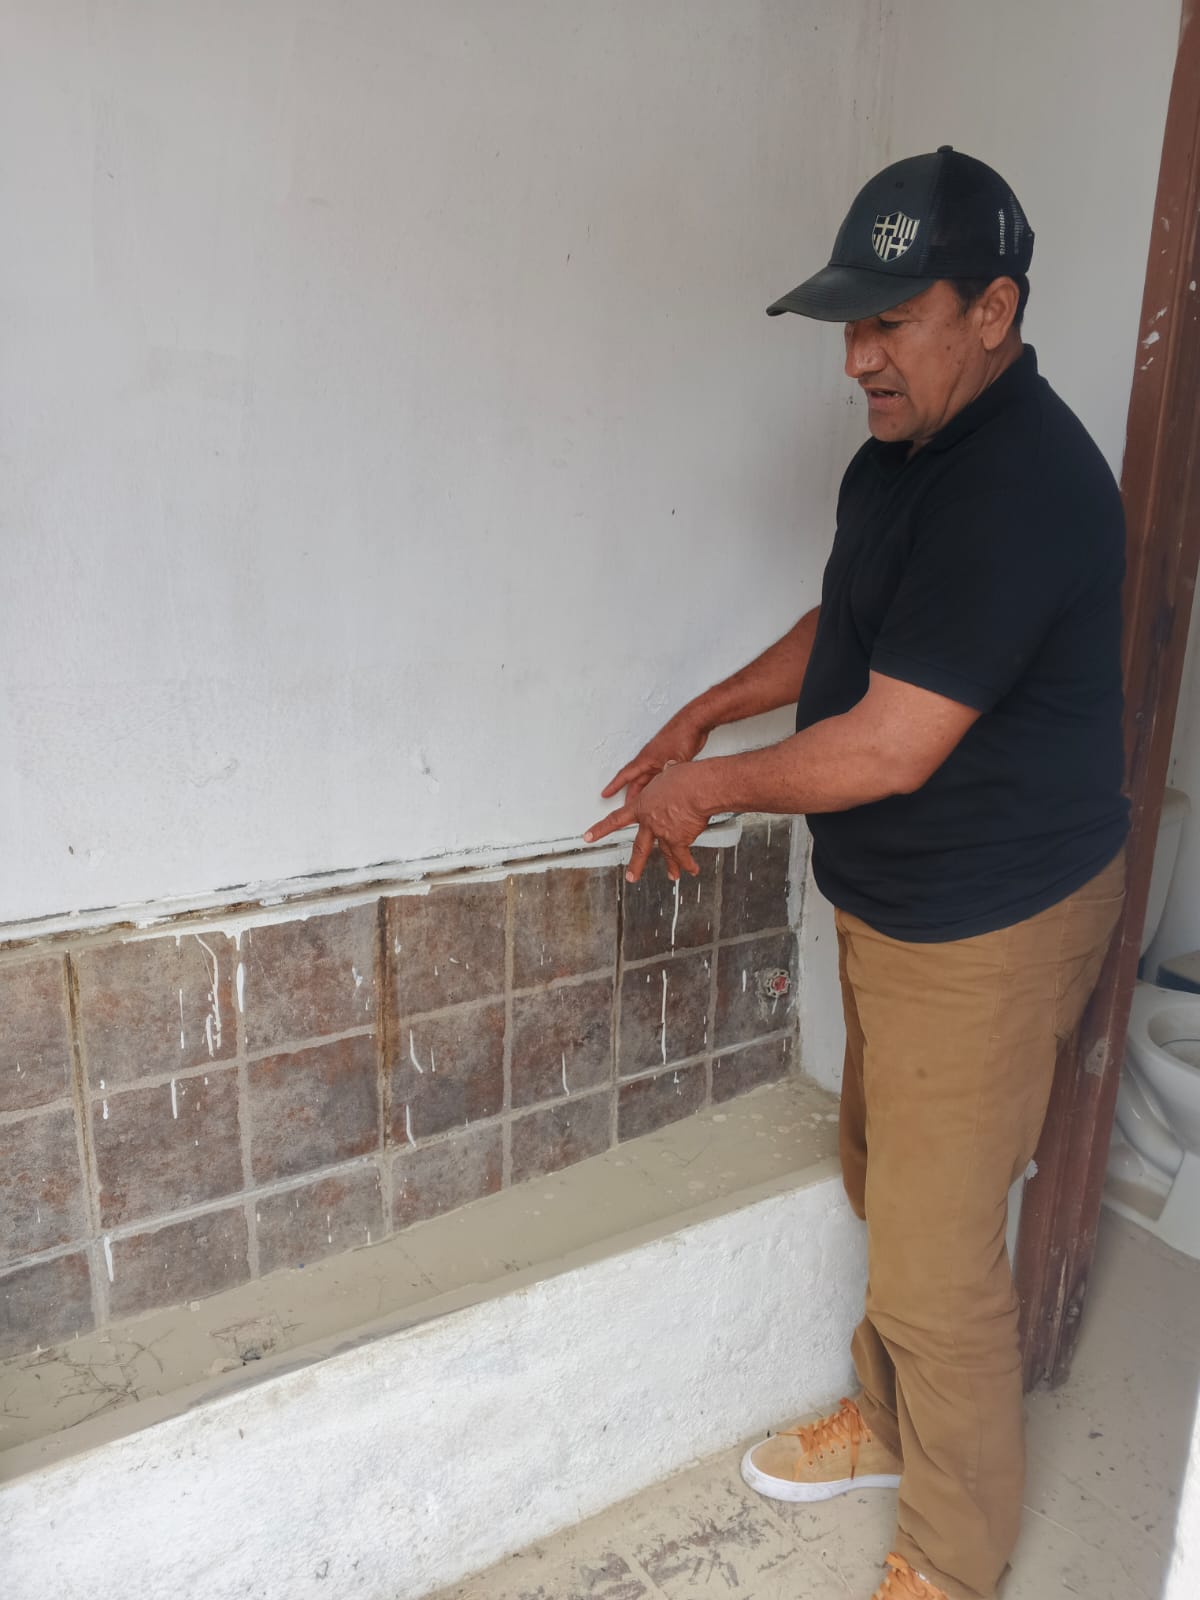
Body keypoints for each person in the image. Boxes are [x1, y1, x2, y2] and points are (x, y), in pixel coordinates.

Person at [584, 147, 1129, 1600]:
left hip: (994, 920)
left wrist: (708, 788)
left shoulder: (1023, 485)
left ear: (995, 310)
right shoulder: (905, 456)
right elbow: (854, 622)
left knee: (942, 1266)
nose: (857, 360)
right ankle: (891, 1426)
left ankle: (952, 1560)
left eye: (891, 322)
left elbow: (891, 744)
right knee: (890, 1188)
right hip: (902, 904)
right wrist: (708, 712)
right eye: (849, 324)